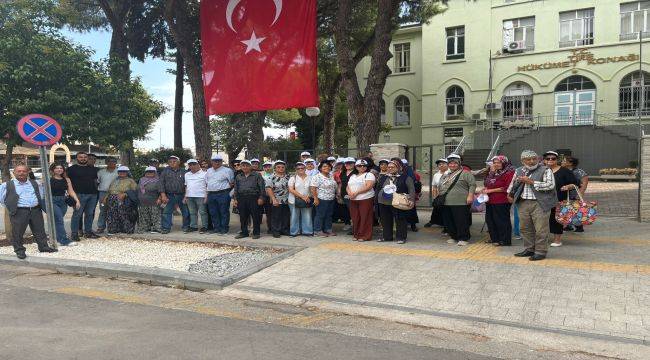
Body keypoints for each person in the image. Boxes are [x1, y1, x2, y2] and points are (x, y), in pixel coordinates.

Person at [507, 150, 557, 261]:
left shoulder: (545, 170)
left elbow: (550, 185)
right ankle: (529, 249)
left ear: (538, 159)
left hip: (540, 203)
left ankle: (540, 252)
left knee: (541, 229)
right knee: (525, 228)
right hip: (523, 202)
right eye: (528, 159)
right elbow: (512, 184)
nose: (531, 161)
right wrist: (509, 194)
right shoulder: (519, 170)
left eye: (534, 158)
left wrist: (531, 182)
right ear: (522, 160)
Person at [0, 165, 58, 258]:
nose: (21, 173)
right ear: (14, 173)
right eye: (19, 171)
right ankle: (19, 250)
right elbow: (2, 199)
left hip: (35, 210)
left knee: (40, 230)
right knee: (18, 232)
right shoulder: (6, 185)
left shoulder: (35, 183)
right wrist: (12, 206)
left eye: (24, 171)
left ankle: (43, 247)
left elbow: (41, 194)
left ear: (27, 172)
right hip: (19, 211)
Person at [543, 151, 578, 247]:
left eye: (553, 158)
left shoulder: (564, 171)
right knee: (542, 220)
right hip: (542, 200)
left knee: (557, 220)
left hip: (558, 199)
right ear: (544, 160)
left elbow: (575, 183)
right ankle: (543, 239)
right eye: (548, 158)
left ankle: (557, 240)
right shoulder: (541, 170)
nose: (550, 160)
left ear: (557, 160)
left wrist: (567, 186)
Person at [439, 156, 476, 246]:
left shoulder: (466, 173)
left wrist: (470, 196)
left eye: (455, 163)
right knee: (449, 221)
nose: (452, 165)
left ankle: (463, 238)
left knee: (461, 221)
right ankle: (454, 236)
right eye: (450, 163)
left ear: (459, 164)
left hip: (461, 202)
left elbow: (472, 185)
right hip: (446, 202)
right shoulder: (446, 174)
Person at [376, 160, 415, 244]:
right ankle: (387, 237)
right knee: (385, 220)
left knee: (400, 219)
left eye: (392, 167)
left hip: (398, 202)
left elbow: (411, 189)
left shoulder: (405, 177)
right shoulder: (384, 177)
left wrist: (411, 199)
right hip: (383, 202)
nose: (390, 168)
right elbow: (378, 188)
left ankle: (401, 237)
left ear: (398, 167)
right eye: (389, 167)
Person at [482, 155, 515, 246]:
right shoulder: (494, 172)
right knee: (490, 220)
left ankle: (505, 240)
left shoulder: (509, 172)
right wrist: (491, 173)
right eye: (494, 162)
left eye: (499, 162)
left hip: (502, 201)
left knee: (501, 220)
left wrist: (490, 190)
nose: (496, 164)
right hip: (490, 200)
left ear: (504, 162)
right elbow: (487, 183)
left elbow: (507, 187)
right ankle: (495, 239)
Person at [67, 151, 100, 240]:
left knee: (89, 214)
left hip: (92, 194)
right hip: (78, 195)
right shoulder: (71, 169)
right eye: (80, 157)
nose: (83, 158)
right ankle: (74, 233)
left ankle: (88, 232)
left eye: (85, 157)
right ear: (77, 158)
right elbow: (66, 181)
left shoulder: (94, 169)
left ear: (87, 158)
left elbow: (97, 181)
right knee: (77, 214)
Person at [49, 164, 80, 246]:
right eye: (57, 168)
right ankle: (64, 240)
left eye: (61, 168)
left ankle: (56, 239)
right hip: (52, 201)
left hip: (63, 201)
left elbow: (71, 191)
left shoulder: (67, 179)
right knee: (59, 219)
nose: (59, 169)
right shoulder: (49, 179)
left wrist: (77, 201)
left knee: (57, 220)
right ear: (53, 170)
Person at [233, 160, 266, 239]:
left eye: (247, 165)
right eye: (243, 166)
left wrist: (261, 198)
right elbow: (236, 188)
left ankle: (256, 233)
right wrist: (235, 199)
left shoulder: (257, 175)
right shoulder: (238, 176)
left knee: (255, 216)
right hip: (241, 198)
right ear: (241, 167)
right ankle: (244, 232)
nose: (245, 167)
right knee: (243, 216)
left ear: (250, 166)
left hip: (254, 197)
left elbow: (262, 187)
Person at [346, 159, 376, 241]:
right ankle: (356, 234)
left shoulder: (369, 175)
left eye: (364, 166)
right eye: (359, 166)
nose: (362, 167)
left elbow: (368, 186)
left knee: (365, 217)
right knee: (355, 217)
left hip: (365, 198)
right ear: (356, 167)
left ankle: (365, 236)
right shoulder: (353, 176)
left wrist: (356, 193)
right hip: (353, 199)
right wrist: (349, 193)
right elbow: (348, 186)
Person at [159, 155, 190, 234]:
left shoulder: (184, 171)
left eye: (174, 161)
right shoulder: (165, 171)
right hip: (169, 195)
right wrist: (163, 195)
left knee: (186, 212)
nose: (172, 163)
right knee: (166, 212)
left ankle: (186, 226)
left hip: (182, 195)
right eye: (170, 162)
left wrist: (186, 195)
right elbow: (161, 183)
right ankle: (166, 228)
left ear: (179, 162)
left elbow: (188, 184)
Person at [206, 154, 234, 235]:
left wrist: (229, 194)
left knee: (223, 211)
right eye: (215, 161)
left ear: (222, 161)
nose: (217, 162)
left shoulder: (227, 170)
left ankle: (224, 228)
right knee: (213, 212)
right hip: (211, 194)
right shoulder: (209, 171)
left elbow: (232, 183)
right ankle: (216, 228)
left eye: (219, 161)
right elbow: (207, 182)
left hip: (223, 193)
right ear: (211, 162)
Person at [104, 166, 138, 235]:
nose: (122, 173)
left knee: (124, 214)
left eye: (124, 172)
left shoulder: (130, 181)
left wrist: (125, 194)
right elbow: (109, 190)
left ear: (127, 173)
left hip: (123, 199)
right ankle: (113, 229)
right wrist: (105, 198)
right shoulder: (115, 180)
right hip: (111, 199)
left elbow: (135, 191)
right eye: (120, 172)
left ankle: (127, 229)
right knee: (112, 214)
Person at [310, 162, 338, 237]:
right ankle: (317, 231)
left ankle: (328, 229)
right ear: (320, 168)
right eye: (324, 166)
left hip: (331, 199)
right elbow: (313, 188)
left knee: (329, 215)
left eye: (329, 166)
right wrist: (315, 199)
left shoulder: (331, 176)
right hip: (321, 199)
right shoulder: (317, 177)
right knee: (320, 215)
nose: (327, 168)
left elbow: (334, 186)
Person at [562, 156, 589, 232]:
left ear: (570, 163)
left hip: (575, 194)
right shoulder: (563, 170)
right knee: (567, 209)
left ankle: (579, 226)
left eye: (564, 161)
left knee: (576, 210)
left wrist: (581, 193)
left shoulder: (579, 171)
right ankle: (568, 225)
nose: (562, 162)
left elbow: (584, 182)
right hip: (565, 194)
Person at [265, 160, 291, 238]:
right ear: (275, 168)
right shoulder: (271, 177)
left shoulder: (288, 176)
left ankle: (284, 229)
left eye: (283, 167)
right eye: (278, 167)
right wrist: (273, 199)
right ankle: (276, 230)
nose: (281, 168)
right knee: (276, 216)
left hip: (287, 200)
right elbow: (269, 188)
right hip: (276, 199)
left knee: (286, 216)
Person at [288, 162, 313, 236]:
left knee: (307, 216)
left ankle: (307, 231)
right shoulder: (293, 178)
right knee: (294, 216)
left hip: (307, 200)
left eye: (302, 168)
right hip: (294, 200)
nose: (300, 169)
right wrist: (302, 197)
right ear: (296, 169)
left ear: (305, 169)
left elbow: (312, 189)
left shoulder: (310, 178)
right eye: (298, 168)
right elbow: (291, 190)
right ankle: (294, 232)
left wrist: (309, 196)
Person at [183, 159, 208, 233]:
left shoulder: (204, 174)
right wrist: (185, 196)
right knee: (192, 212)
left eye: (194, 164)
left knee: (203, 212)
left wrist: (206, 196)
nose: (192, 166)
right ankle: (193, 226)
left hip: (201, 196)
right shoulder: (187, 174)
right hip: (189, 196)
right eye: (190, 165)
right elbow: (186, 186)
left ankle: (204, 226)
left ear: (198, 164)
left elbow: (207, 186)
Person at [136, 166, 162, 233]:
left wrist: (159, 198)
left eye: (151, 172)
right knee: (144, 216)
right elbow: (138, 190)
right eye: (148, 172)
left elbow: (161, 191)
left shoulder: (158, 180)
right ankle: (145, 228)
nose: (149, 173)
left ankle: (156, 228)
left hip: (154, 201)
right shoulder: (141, 180)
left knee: (155, 216)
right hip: (142, 202)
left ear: (155, 173)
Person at [96, 157, 118, 234]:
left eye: (114, 161)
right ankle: (101, 227)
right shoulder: (101, 172)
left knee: (115, 210)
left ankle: (114, 227)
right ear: (106, 162)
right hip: (103, 193)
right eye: (110, 161)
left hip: (116, 193)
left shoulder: (119, 171)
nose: (112, 163)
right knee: (103, 210)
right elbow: (97, 182)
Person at [424, 158, 448, 228]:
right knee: (436, 210)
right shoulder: (436, 175)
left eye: (443, 164)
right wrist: (434, 197)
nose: (441, 165)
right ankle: (433, 221)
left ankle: (446, 225)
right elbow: (434, 186)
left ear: (447, 165)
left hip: (449, 195)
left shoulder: (450, 173)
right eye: (439, 164)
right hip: (439, 195)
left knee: (446, 211)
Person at [337, 157, 355, 233]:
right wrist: (339, 192)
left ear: (354, 164)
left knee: (353, 212)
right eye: (346, 163)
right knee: (347, 211)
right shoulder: (343, 173)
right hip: (343, 195)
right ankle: (351, 226)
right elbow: (341, 183)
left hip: (353, 195)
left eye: (350, 163)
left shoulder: (356, 172)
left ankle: (355, 228)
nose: (348, 164)